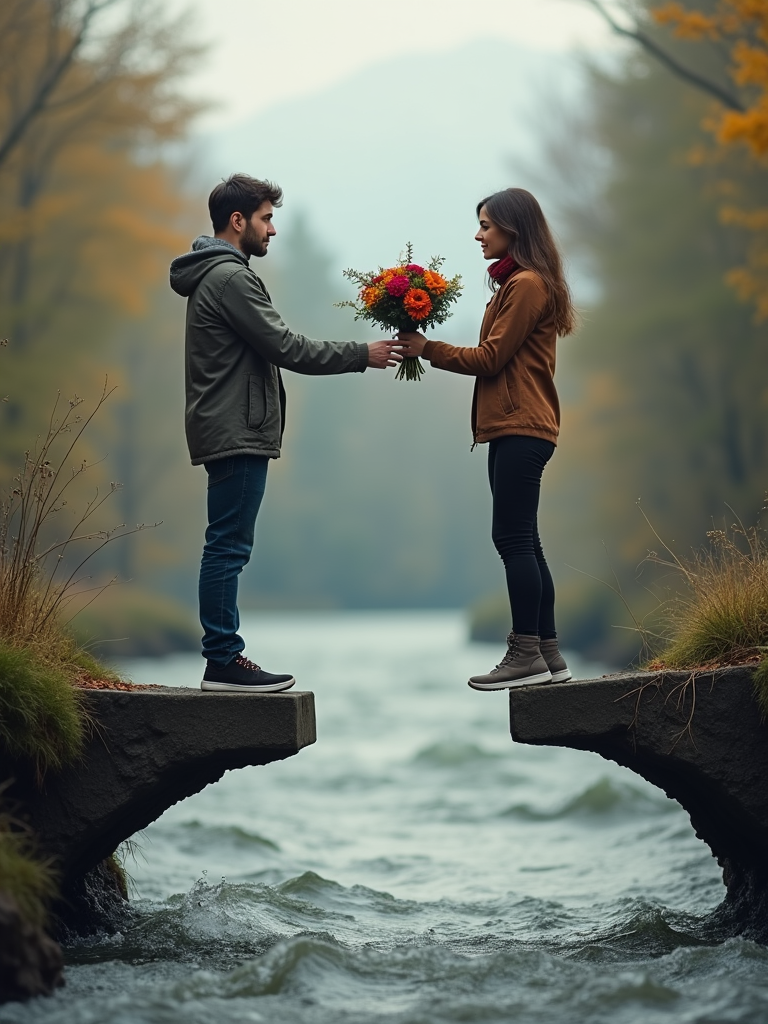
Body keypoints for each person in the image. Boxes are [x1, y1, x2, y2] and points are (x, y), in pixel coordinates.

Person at [170, 174, 400, 693]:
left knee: (226, 543)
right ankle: (224, 660)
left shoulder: (218, 275)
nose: (273, 229)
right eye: (267, 218)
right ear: (238, 221)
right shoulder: (230, 278)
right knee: (228, 546)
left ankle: (223, 657)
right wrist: (362, 354)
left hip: (228, 425)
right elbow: (286, 347)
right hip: (236, 428)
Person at [398, 188, 576, 690]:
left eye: (485, 226)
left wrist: (427, 347)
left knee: (512, 536)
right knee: (526, 539)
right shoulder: (516, 284)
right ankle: (548, 655)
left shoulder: (526, 285)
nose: (478, 236)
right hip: (517, 426)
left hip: (522, 425)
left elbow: (490, 358)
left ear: (513, 230)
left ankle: (524, 655)